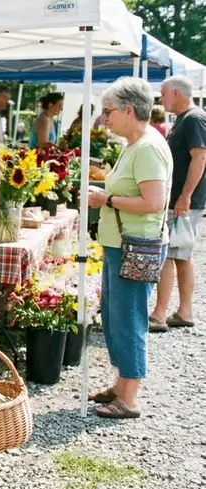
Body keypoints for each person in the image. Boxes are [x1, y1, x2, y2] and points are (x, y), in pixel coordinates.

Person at [85, 77, 173, 420]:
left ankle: (130, 396)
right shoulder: (137, 144)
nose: (105, 118)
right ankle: (122, 384)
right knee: (114, 317)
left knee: (128, 319)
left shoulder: (148, 147)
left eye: (109, 111)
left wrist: (107, 199)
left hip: (135, 245)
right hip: (123, 243)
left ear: (130, 110)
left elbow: (153, 202)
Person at [151, 75, 206, 331]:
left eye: (163, 93)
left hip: (184, 202)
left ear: (176, 93)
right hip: (182, 200)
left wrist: (184, 196)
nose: (161, 99)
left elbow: (200, 158)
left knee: (169, 255)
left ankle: (159, 314)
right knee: (181, 256)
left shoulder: (194, 118)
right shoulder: (186, 119)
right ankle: (184, 311)